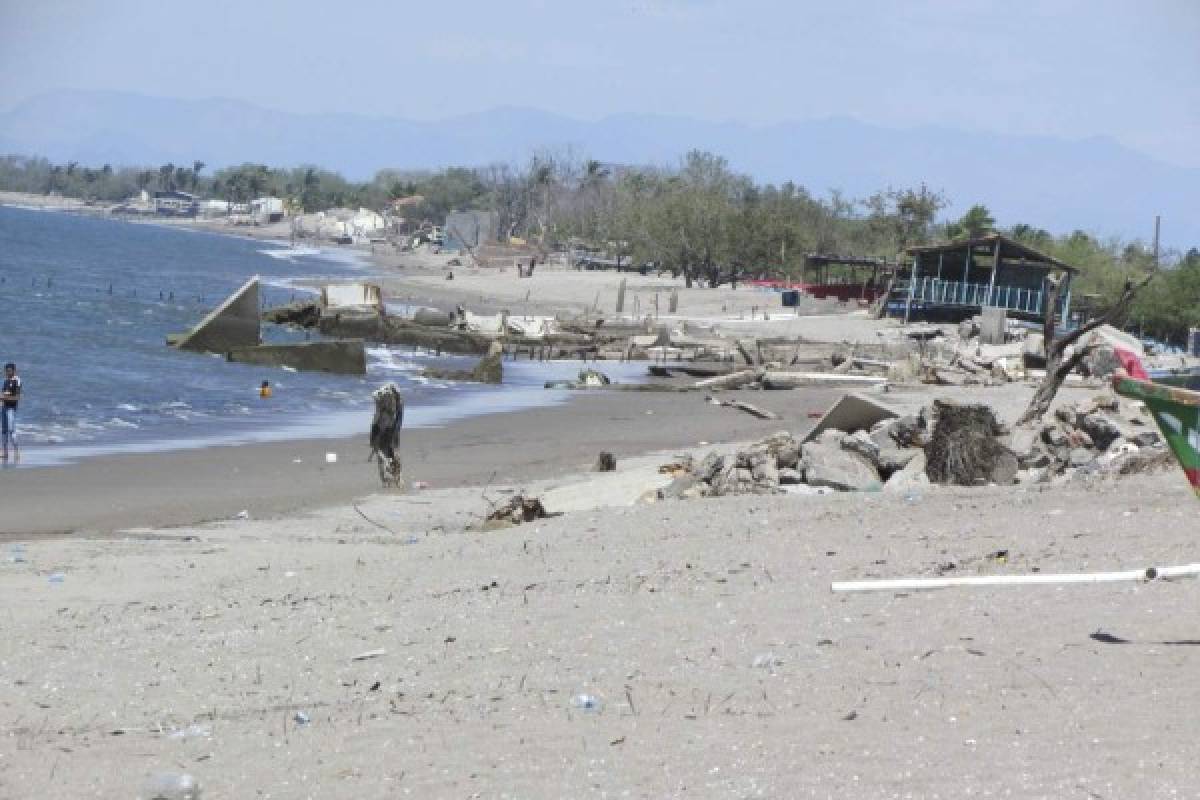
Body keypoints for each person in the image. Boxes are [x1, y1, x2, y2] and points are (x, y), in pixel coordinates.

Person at [1, 362, 20, 461]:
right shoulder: (5, 381)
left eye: (9, 371)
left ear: (13, 371)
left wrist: (4, 397)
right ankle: (5, 452)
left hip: (11, 409)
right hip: (3, 408)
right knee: (3, 431)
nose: (7, 372)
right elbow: (3, 395)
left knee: (11, 431)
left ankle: (16, 451)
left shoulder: (17, 381)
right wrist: (2, 399)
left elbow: (17, 397)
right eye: (6, 371)